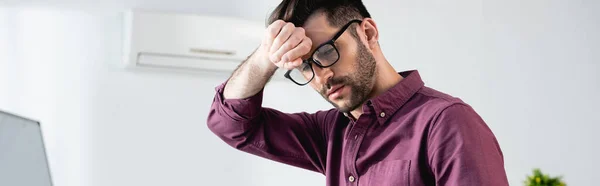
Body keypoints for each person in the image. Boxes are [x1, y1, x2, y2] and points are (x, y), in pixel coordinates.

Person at [207, 0, 509, 185]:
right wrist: (265, 57)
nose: (321, 76)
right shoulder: (330, 133)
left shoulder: (446, 123)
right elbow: (232, 125)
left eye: (326, 52)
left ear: (367, 33)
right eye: (305, 67)